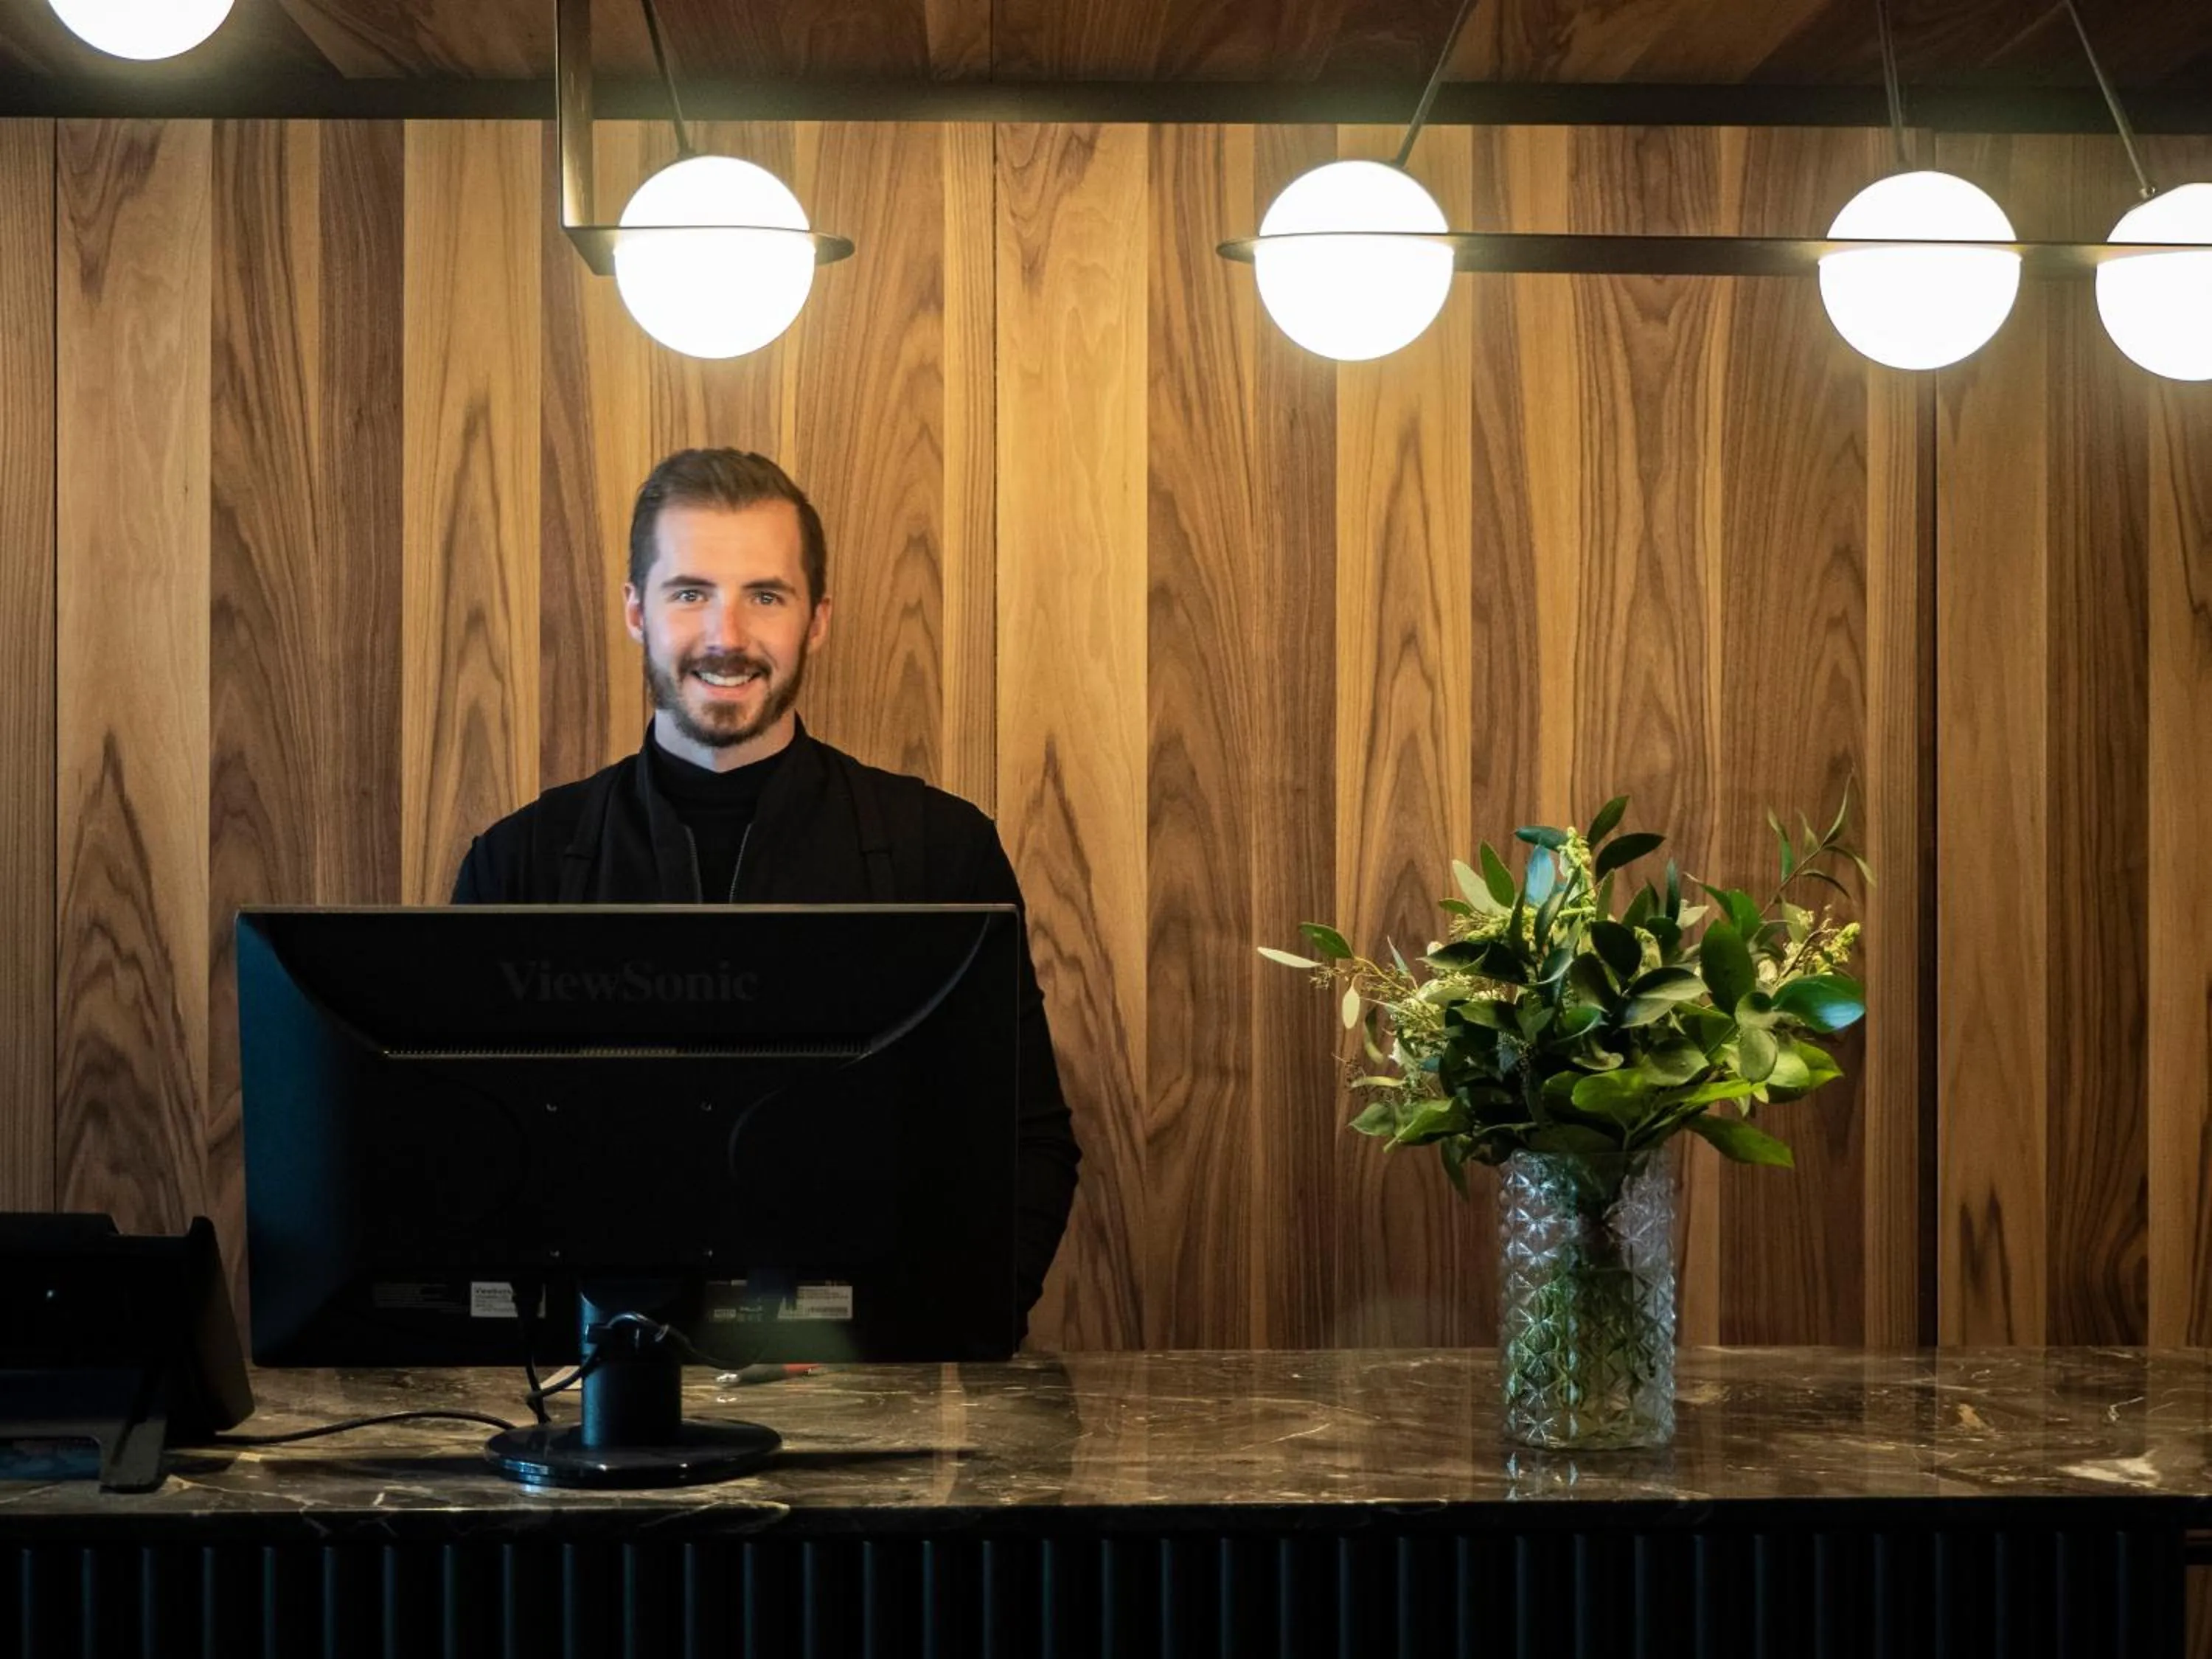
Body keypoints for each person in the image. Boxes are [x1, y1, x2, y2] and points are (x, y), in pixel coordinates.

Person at [451, 448, 1079, 1335]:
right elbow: (462, 1162)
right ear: (636, 610)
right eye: (690, 592)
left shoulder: (941, 853)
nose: (728, 636)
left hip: (875, 1398)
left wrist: (949, 1339)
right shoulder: (518, 864)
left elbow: (1029, 1144)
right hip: (588, 1397)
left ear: (817, 620)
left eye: (766, 596)